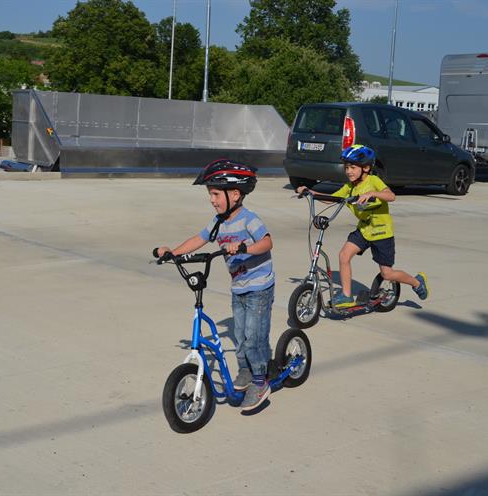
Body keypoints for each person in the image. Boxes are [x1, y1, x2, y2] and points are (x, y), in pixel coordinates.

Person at [156, 159, 275, 411]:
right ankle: (245, 370)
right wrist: (173, 253)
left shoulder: (248, 219)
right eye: (210, 194)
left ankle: (260, 379)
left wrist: (244, 247)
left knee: (254, 337)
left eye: (215, 194)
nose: (212, 199)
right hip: (239, 287)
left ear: (235, 194)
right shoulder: (218, 222)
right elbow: (199, 239)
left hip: (259, 287)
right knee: (241, 336)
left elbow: (267, 243)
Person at [296, 144, 429, 308]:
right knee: (344, 255)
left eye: (352, 167)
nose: (349, 171)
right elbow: (331, 198)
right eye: (346, 168)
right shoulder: (350, 187)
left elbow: (391, 196)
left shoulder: (373, 181)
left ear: (366, 167)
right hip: (364, 230)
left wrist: (372, 193)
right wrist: (310, 192)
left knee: (387, 274)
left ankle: (417, 282)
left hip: (382, 233)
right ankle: (346, 296)